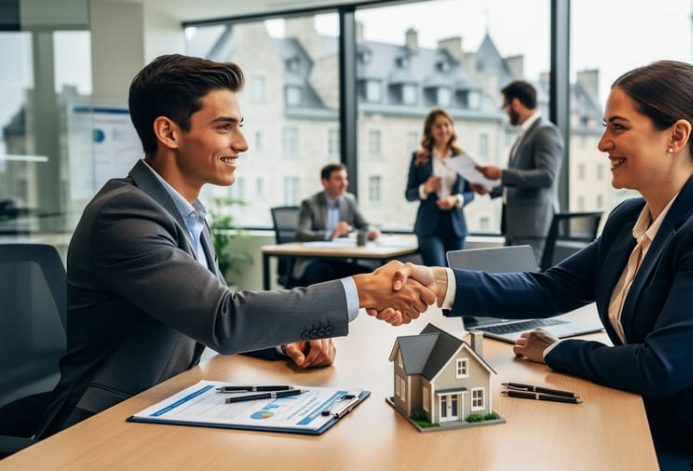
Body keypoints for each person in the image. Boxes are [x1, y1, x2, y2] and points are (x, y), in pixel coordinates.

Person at [389, 61, 693, 469]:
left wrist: (556, 351)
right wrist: (439, 281)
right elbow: (548, 287)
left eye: (618, 127)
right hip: (650, 420)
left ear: (676, 135)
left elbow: (661, 368)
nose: (603, 143)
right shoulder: (627, 220)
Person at [36, 54, 434, 438]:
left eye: (240, 125)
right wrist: (361, 290)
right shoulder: (124, 214)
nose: (242, 143)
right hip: (99, 425)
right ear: (169, 132)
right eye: (225, 126)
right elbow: (223, 317)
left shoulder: (185, 212)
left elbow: (212, 310)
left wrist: (285, 340)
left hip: (164, 404)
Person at [472, 80, 563, 263]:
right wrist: (493, 189)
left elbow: (546, 176)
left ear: (516, 103)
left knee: (528, 283)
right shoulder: (525, 133)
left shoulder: (545, 132)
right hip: (516, 227)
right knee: (514, 283)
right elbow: (522, 180)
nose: (505, 111)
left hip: (533, 228)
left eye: (505, 105)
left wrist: (501, 174)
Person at [405, 109, 474, 266]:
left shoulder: (461, 157)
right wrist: (425, 188)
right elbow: (409, 194)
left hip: (456, 226)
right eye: (438, 126)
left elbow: (471, 193)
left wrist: (457, 199)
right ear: (430, 130)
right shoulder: (419, 157)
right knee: (437, 275)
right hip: (429, 227)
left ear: (451, 127)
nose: (443, 130)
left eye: (446, 125)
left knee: (457, 276)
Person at [295, 163, 380, 285]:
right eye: (338, 179)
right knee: (323, 273)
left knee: (367, 274)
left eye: (345, 178)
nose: (344, 183)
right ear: (325, 182)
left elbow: (365, 225)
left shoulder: (349, 200)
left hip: (341, 259)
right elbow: (301, 233)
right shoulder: (310, 204)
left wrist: (370, 232)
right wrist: (331, 234)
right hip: (315, 260)